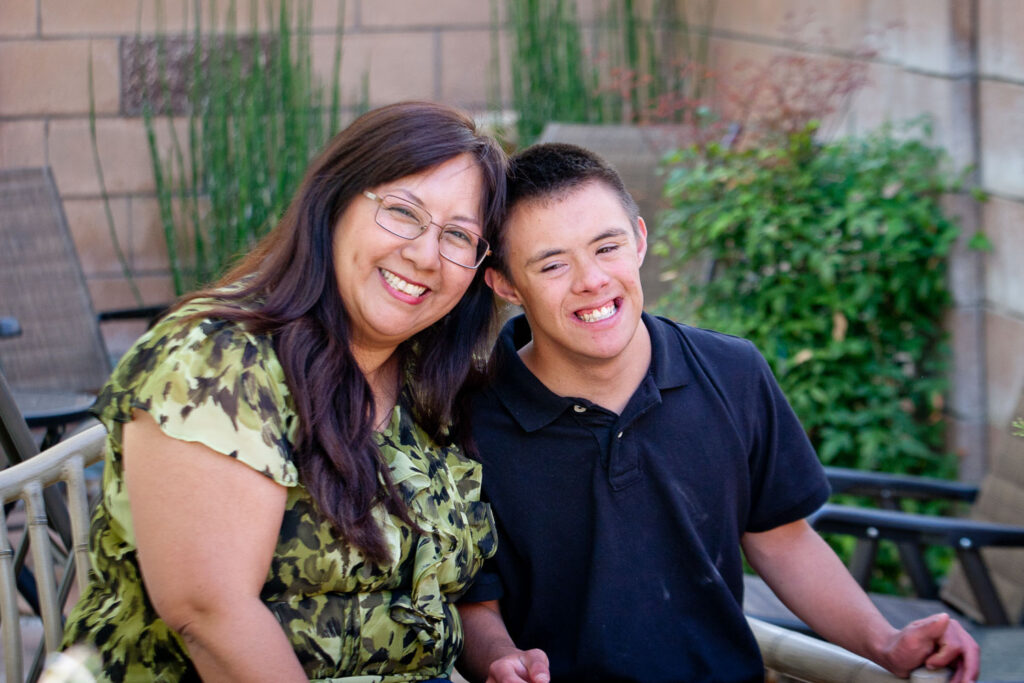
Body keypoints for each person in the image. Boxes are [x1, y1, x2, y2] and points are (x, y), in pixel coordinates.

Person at [455, 143, 980, 683]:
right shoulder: (468, 420)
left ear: (639, 239)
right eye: (552, 264)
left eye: (606, 247)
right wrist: (501, 660)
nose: (591, 279)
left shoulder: (733, 372)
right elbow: (474, 602)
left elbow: (782, 539)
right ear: (506, 284)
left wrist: (887, 642)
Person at [61, 101, 506, 682]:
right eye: (402, 212)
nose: (425, 255)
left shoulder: (429, 380)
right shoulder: (218, 361)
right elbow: (210, 615)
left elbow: (442, 592)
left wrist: (499, 657)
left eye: (458, 236)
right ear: (335, 202)